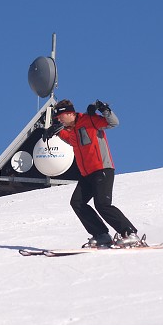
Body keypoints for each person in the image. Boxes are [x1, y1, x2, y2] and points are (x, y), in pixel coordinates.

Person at [43, 99, 141, 248]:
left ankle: (130, 234)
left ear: (69, 113)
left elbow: (113, 123)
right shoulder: (72, 131)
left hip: (102, 169)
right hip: (86, 174)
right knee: (77, 202)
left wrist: (104, 109)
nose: (59, 120)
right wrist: (55, 133)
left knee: (102, 205)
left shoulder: (89, 120)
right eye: (57, 119)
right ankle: (101, 235)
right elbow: (71, 140)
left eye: (60, 117)